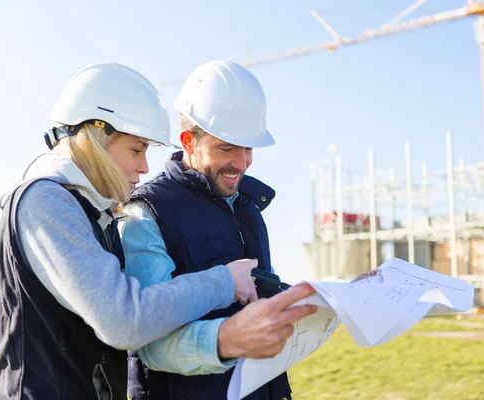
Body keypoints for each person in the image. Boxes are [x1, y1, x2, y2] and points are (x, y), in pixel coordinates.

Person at [0, 62, 317, 400]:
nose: (145, 166)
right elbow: (124, 319)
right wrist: (225, 283)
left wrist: (333, 297)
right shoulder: (47, 203)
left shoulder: (86, 208)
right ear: (95, 137)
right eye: (136, 149)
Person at [122, 60, 365, 400]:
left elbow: (264, 295)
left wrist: (341, 297)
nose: (242, 162)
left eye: (248, 148)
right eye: (227, 148)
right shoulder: (146, 213)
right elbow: (148, 343)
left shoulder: (247, 206)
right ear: (188, 142)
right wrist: (227, 339)